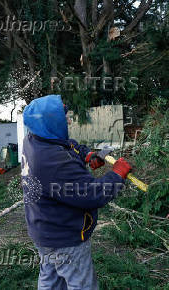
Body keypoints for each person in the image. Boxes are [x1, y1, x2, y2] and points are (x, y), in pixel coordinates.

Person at [21, 95, 132, 290]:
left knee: (50, 279)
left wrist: (86, 154)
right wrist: (117, 175)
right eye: (64, 118)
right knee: (81, 284)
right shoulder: (54, 161)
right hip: (65, 237)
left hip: (44, 231)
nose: (69, 120)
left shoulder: (34, 140)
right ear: (51, 123)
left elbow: (67, 144)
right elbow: (92, 195)